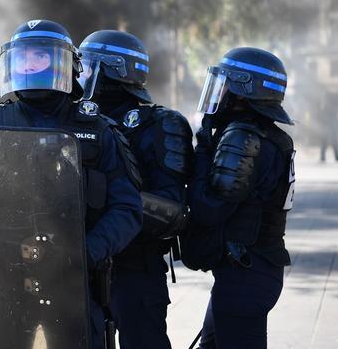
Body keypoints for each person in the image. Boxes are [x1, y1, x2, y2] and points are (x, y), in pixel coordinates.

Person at [0, 20, 143, 348]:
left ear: (67, 65)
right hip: (6, 280)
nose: (30, 65)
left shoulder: (99, 131)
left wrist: (83, 255)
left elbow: (127, 209)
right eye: (23, 58)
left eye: (41, 57)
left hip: (72, 282)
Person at [78, 30, 193, 349]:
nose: (80, 74)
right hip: (84, 263)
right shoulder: (78, 120)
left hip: (134, 267)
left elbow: (172, 209)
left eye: (86, 65)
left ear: (111, 69)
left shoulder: (159, 124)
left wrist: (112, 207)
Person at [182, 47, 296, 348]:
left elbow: (208, 208)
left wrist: (203, 148)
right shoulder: (268, 135)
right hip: (250, 273)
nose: (219, 94)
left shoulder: (243, 137)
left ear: (244, 92)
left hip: (245, 277)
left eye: (226, 85)